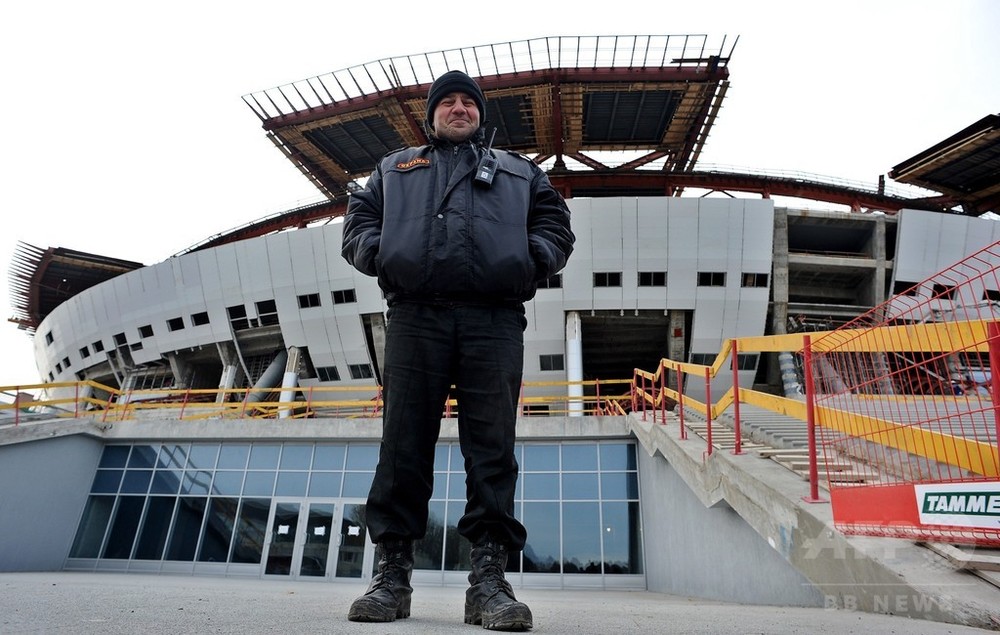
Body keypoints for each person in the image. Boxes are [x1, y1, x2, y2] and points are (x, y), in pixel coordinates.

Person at [340, 69, 574, 631]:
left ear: (480, 115)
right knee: (402, 446)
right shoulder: (396, 169)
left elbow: (556, 228)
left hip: (493, 320)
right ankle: (391, 578)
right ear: (431, 115)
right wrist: (386, 257)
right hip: (415, 316)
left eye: (469, 102)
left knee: (492, 449)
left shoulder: (520, 173)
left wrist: (528, 261)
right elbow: (357, 224)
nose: (460, 108)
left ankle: (488, 583)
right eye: (448, 102)